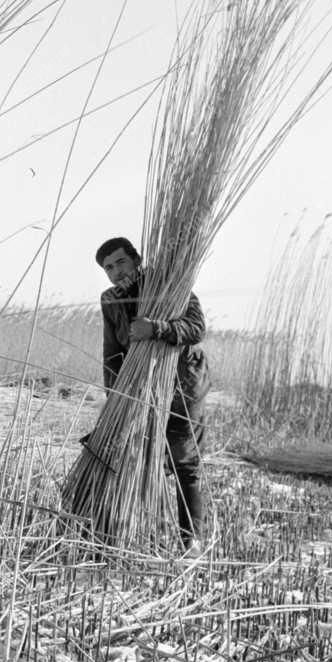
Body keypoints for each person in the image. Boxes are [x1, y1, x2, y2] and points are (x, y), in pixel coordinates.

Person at [95, 236, 210, 553]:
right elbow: (112, 354)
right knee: (140, 455)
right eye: (108, 268)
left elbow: (196, 328)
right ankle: (135, 532)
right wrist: (114, 400)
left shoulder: (167, 281)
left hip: (182, 383)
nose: (116, 272)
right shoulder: (110, 300)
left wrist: (157, 328)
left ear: (136, 258)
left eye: (121, 262)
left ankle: (192, 540)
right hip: (139, 387)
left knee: (183, 460)